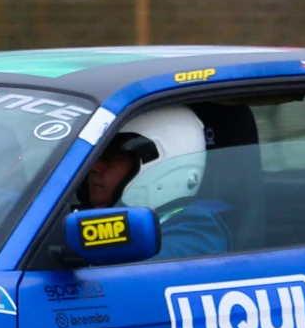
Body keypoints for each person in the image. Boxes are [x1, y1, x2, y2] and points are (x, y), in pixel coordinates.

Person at [77, 105, 232, 260]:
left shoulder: (196, 232)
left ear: (160, 163)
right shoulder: (91, 214)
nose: (94, 166)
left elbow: (135, 277)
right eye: (95, 156)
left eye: (111, 157)